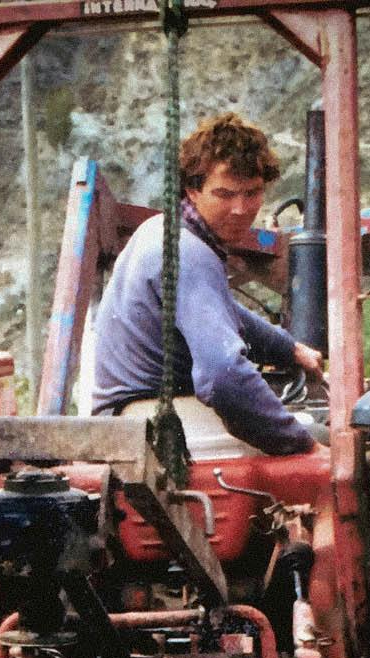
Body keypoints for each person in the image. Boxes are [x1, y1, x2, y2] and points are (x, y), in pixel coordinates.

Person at [91, 111, 323, 457]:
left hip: (127, 417)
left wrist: (290, 349)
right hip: (154, 421)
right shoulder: (191, 254)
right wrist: (305, 447)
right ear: (193, 189)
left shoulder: (160, 230)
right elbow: (223, 377)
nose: (240, 209)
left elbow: (224, 311)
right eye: (224, 194)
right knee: (323, 434)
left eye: (252, 193)